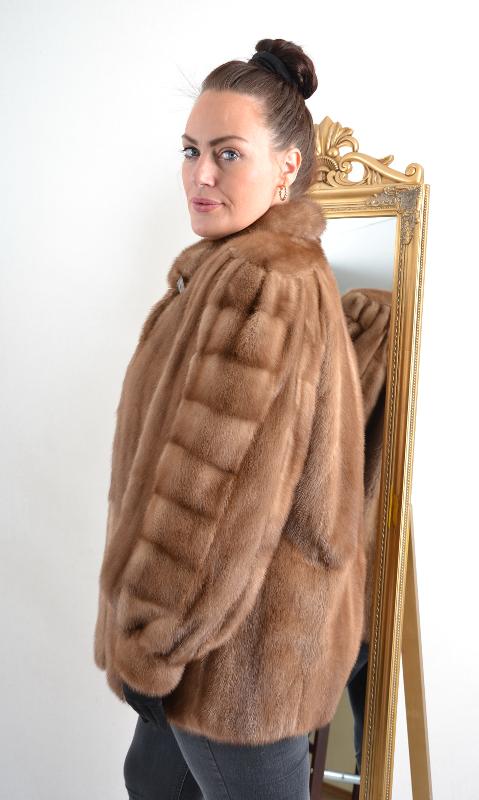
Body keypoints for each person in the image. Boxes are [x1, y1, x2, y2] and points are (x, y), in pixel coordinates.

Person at [93, 38, 367, 799]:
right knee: (150, 782)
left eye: (227, 154)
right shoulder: (236, 269)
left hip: (234, 662)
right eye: (190, 150)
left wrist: (154, 643)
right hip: (205, 640)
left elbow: (209, 497)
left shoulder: (257, 282)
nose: (200, 175)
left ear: (286, 167)